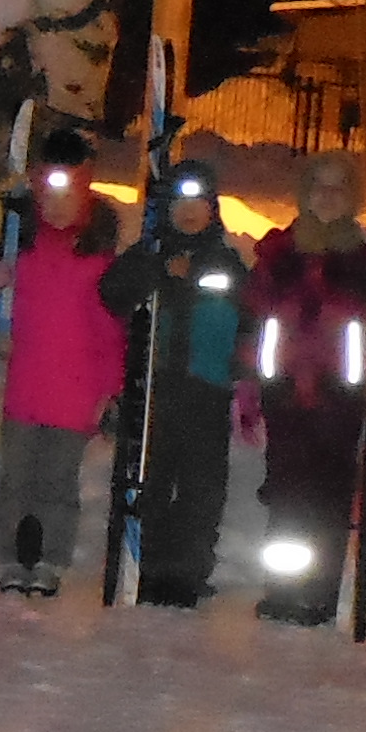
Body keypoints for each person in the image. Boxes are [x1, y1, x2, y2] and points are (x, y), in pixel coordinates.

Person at [98, 139, 249, 606]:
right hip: (156, 388)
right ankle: (149, 565)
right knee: (152, 478)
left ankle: (187, 571)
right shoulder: (149, 255)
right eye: (179, 205)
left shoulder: (225, 261)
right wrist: (156, 270)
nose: (188, 214)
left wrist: (193, 275)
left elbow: (244, 314)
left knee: (202, 487)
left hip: (206, 389)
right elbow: (112, 293)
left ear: (212, 210)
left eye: (198, 205)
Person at [243, 151, 366, 624]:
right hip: (285, 392)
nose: (327, 196)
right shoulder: (278, 255)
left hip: (339, 397)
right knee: (287, 494)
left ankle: (319, 591)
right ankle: (283, 586)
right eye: (319, 186)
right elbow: (253, 321)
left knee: (328, 497)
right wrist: (252, 382)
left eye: (338, 187)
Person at [0, 144, 121, 597]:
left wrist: (109, 389)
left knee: (57, 484)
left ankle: (50, 558)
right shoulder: (22, 251)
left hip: (73, 396)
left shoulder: (97, 262)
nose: (58, 209)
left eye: (68, 199)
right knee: (16, 480)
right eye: (50, 198)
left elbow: (108, 334)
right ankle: (9, 556)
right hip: (25, 390)